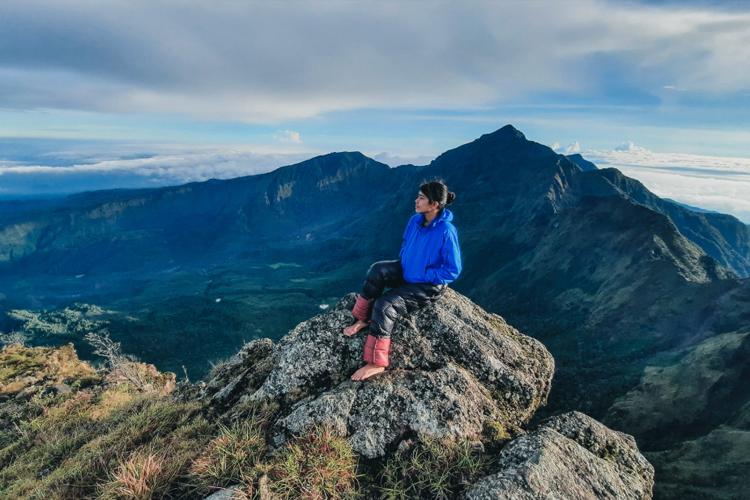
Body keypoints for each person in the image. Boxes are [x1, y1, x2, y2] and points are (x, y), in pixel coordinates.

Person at [344, 180, 462, 381]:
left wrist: (423, 274)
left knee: (385, 304)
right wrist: (408, 263)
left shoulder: (446, 231)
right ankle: (363, 318)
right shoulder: (415, 221)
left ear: (434, 204)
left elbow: (453, 269)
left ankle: (377, 362)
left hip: (428, 285)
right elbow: (407, 243)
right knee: (377, 271)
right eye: (418, 196)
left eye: (422, 198)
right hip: (408, 271)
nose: (416, 201)